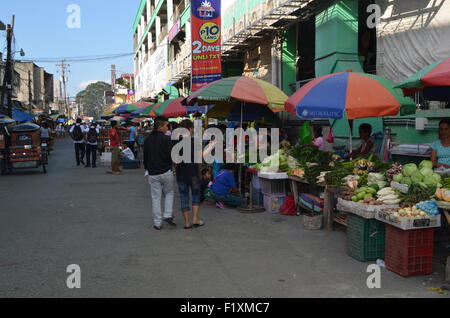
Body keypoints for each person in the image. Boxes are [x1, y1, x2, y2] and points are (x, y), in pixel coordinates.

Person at [143, 116, 176, 230]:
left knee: (156, 197)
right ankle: (167, 214)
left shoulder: (148, 140)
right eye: (166, 125)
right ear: (160, 126)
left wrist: (147, 168)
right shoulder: (167, 139)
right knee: (169, 193)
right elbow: (171, 155)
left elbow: (145, 157)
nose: (167, 127)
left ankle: (157, 223)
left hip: (152, 173)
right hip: (166, 171)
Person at [174, 119, 205, 229]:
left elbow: (175, 161)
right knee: (195, 195)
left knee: (183, 196)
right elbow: (199, 159)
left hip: (181, 173)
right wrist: (200, 171)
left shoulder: (176, 142)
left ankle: (187, 223)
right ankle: (195, 219)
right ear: (190, 129)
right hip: (193, 172)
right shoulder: (195, 141)